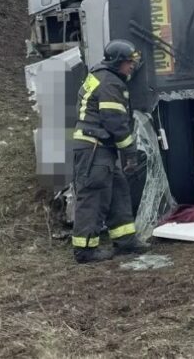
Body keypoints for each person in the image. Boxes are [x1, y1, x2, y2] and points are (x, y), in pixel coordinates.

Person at [71, 40, 152, 263]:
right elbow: (115, 123)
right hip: (94, 148)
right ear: (117, 62)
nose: (132, 67)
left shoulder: (102, 76)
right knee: (94, 196)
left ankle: (125, 241)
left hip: (97, 147)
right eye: (129, 62)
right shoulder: (110, 84)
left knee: (118, 189)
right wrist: (130, 154)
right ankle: (85, 250)